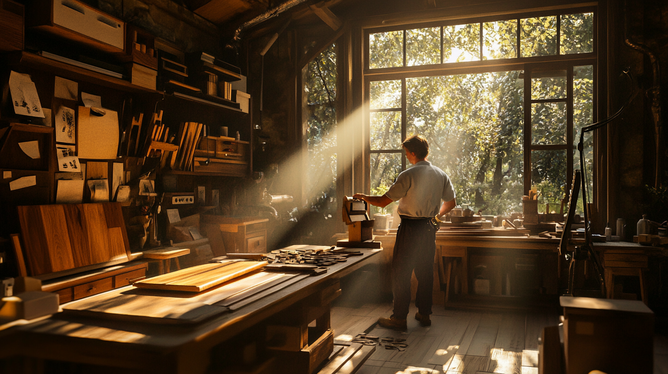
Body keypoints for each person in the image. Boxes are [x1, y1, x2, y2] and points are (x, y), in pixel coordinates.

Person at [354, 135, 456, 330]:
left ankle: (399, 318)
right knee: (425, 272)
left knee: (401, 272)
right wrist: (434, 217)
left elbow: (384, 201)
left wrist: (364, 197)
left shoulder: (408, 175)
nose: (407, 156)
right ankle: (424, 314)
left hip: (410, 228)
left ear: (413, 153)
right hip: (428, 228)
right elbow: (451, 203)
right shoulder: (441, 174)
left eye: (407, 153)